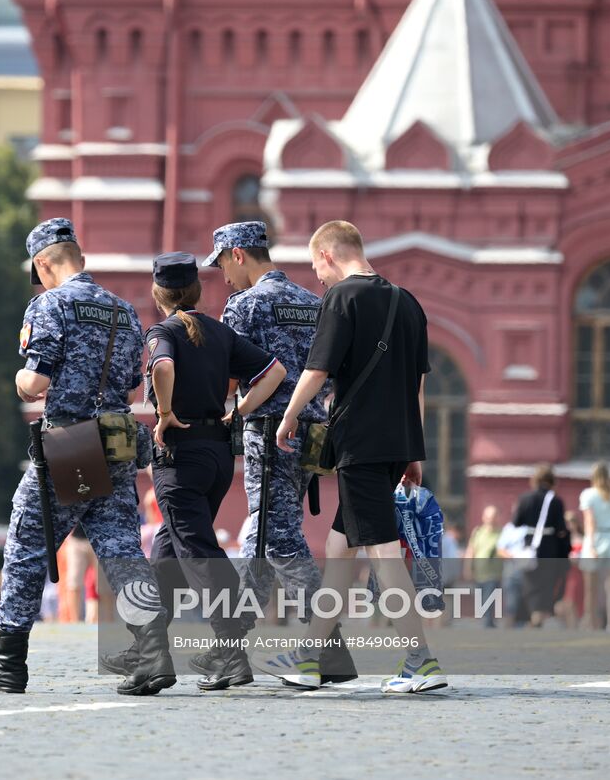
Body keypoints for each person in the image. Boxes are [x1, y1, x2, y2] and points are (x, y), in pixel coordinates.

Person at [0, 218, 173, 696]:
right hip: (116, 442)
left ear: (43, 263)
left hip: (71, 444)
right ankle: (154, 653)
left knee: (27, 539)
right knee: (121, 550)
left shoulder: (50, 304)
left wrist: (19, 380)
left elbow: (34, 383)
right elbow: (133, 383)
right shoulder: (123, 311)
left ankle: (9, 658)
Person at [267, 220, 446, 693]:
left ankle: (419, 661)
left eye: (315, 268)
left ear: (327, 255)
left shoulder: (342, 298)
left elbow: (317, 368)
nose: (318, 278)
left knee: (383, 552)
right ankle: (309, 657)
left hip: (360, 445)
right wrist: (415, 450)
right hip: (395, 444)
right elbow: (418, 382)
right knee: (339, 548)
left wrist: (288, 416)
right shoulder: (409, 303)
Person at [206, 221, 353, 685]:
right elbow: (329, 373)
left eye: (222, 265)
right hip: (309, 432)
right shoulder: (315, 303)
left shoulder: (244, 306)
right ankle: (229, 646)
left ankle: (329, 646)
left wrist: (229, 410)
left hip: (268, 431)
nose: (223, 278)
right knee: (261, 533)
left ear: (237, 254)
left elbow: (228, 377)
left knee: (280, 535)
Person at [144, 251, 287, 690]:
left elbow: (163, 365)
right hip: (218, 455)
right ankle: (150, 649)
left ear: (159, 293)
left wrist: (165, 412)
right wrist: (237, 410)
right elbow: (276, 370)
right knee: (169, 549)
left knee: (197, 549)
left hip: (181, 457)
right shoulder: (220, 332)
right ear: (197, 291)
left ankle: (231, 645)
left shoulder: (163, 331)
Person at [511, 464, 570, 627]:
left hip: (530, 546)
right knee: (547, 582)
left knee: (530, 583)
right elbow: (561, 528)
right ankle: (542, 615)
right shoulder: (556, 500)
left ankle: (533, 615)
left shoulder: (525, 498)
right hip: (550, 548)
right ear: (552, 481)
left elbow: (516, 522)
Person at [580, 461, 610, 631]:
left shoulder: (589, 495)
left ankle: (591, 622)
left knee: (591, 588)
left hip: (596, 538)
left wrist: (592, 546)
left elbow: (590, 522)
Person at [466, 505, 503, 629]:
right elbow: (471, 550)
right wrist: (467, 568)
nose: (490, 519)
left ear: (497, 518)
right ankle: (489, 622)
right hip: (478, 573)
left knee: (489, 598)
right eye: (488, 517)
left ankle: (487, 623)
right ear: (483, 517)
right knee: (483, 599)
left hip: (494, 573)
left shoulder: (501, 533)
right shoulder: (477, 532)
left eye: (493, 517)